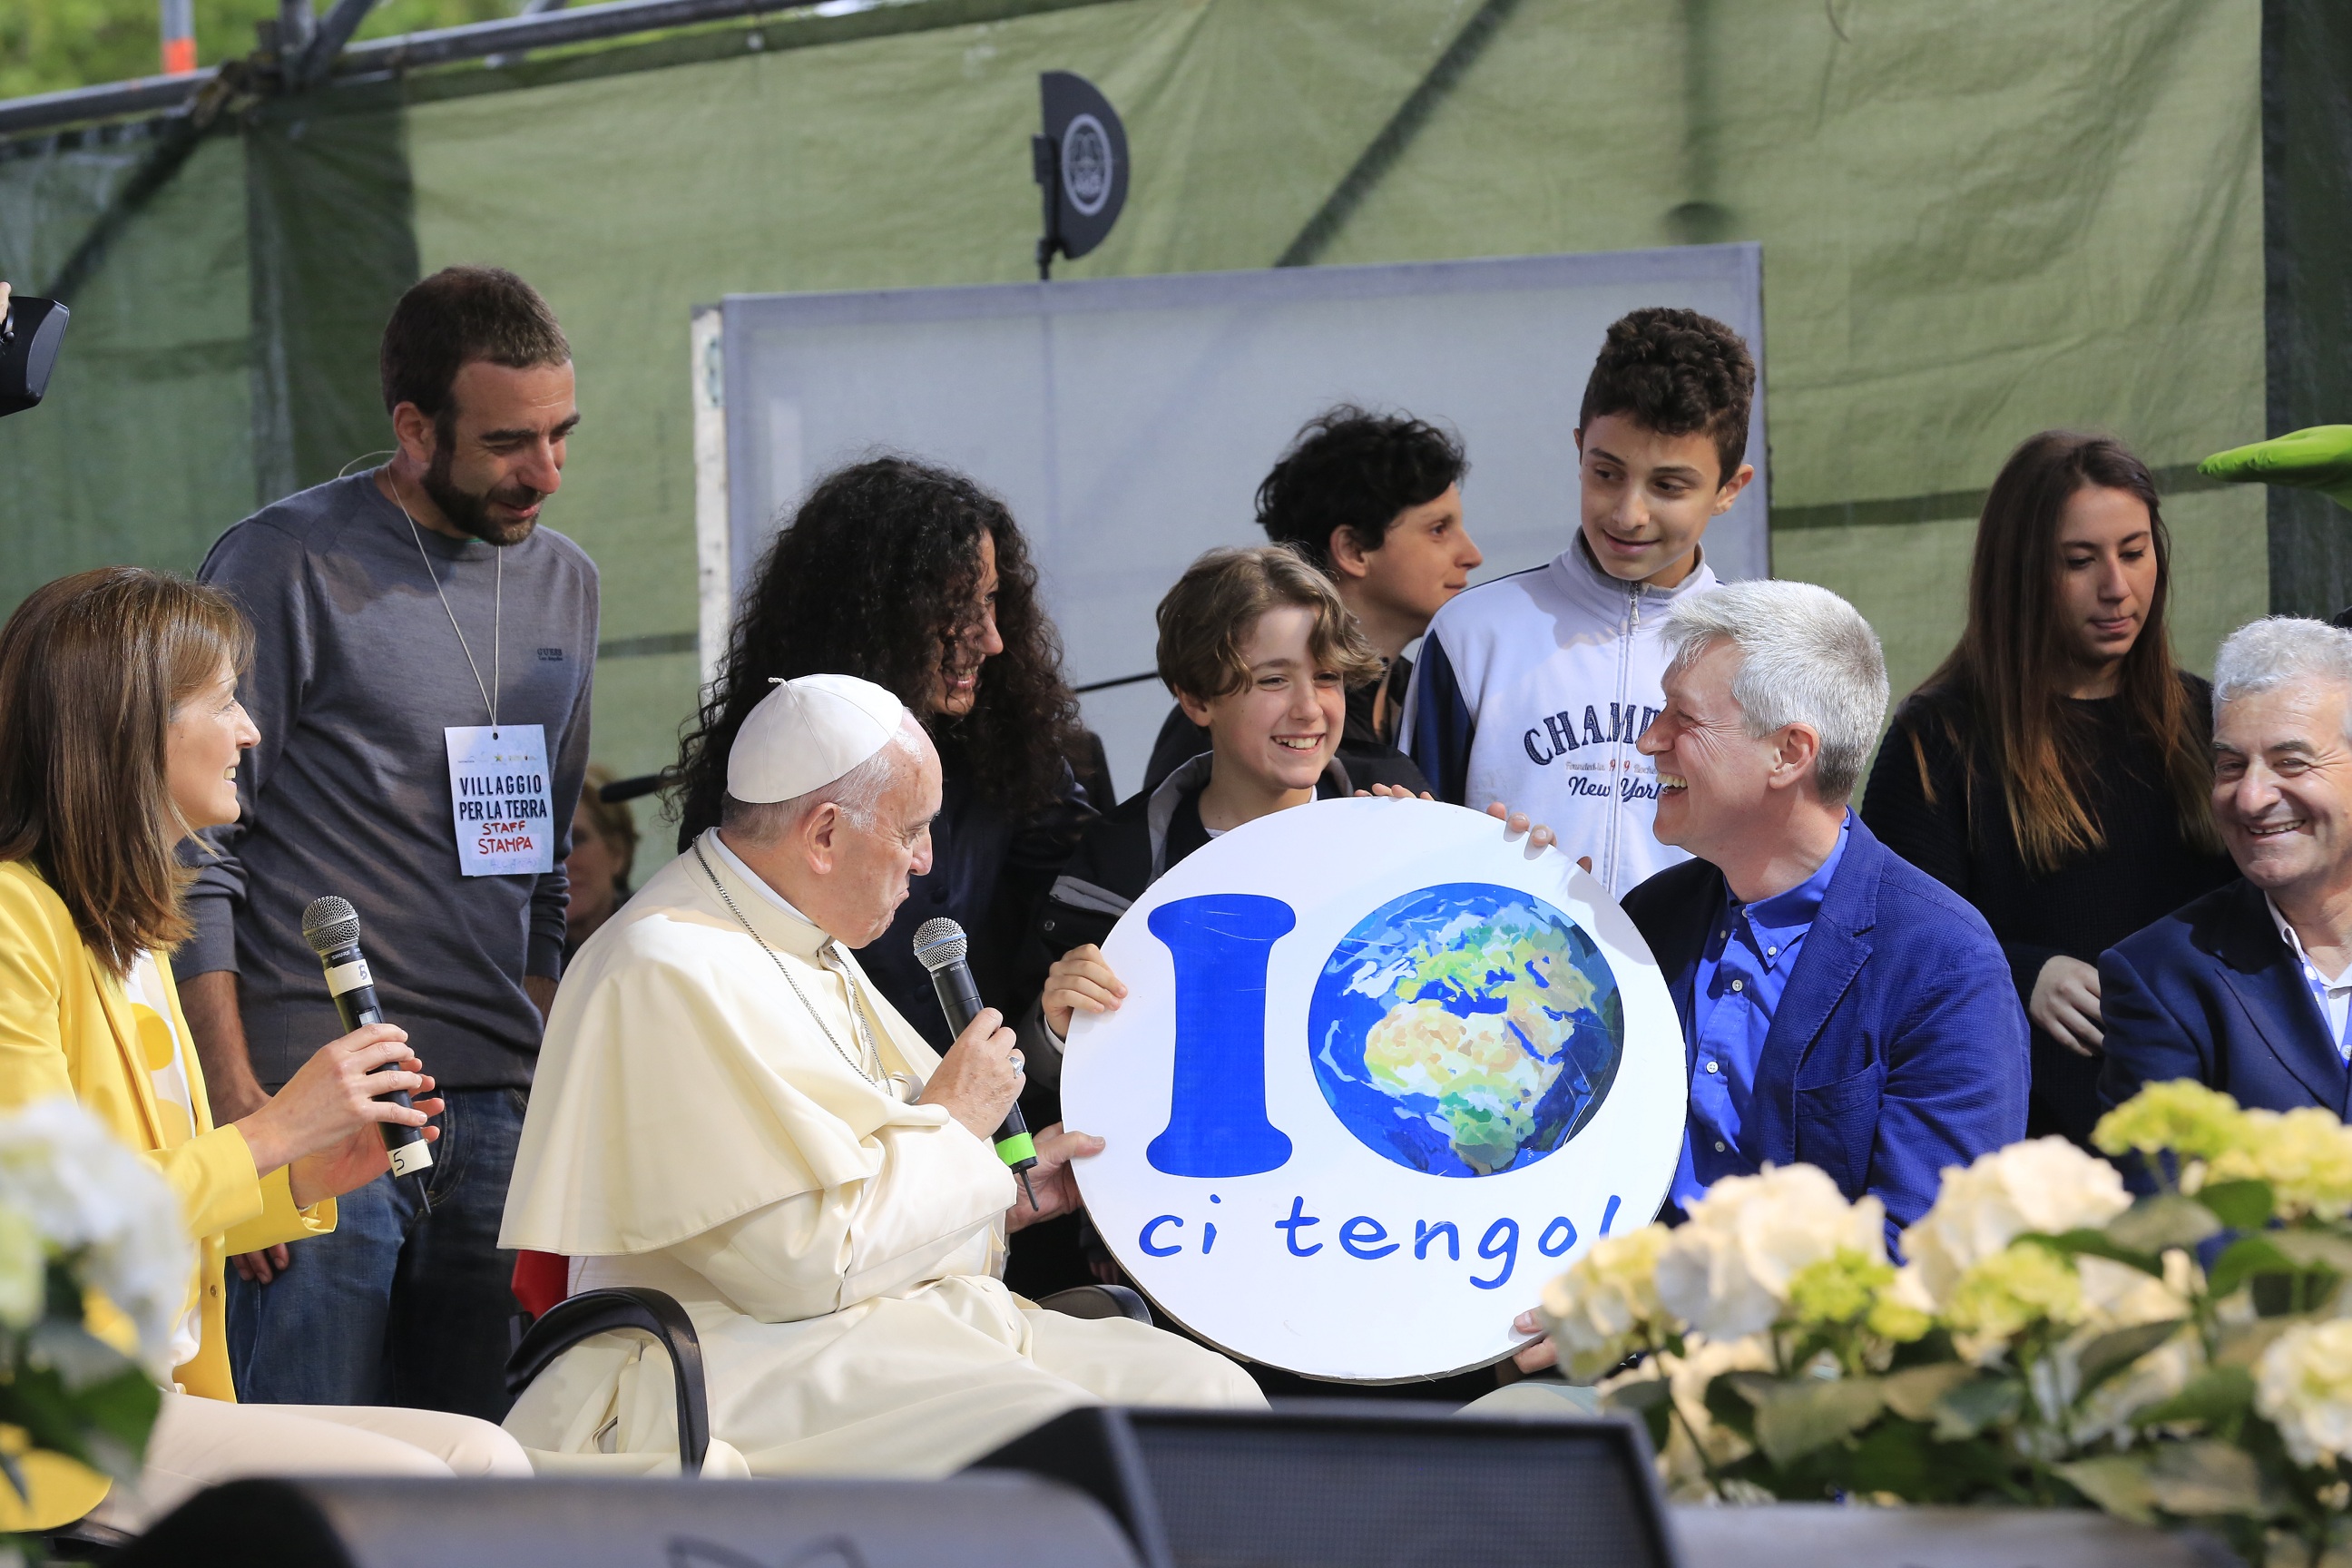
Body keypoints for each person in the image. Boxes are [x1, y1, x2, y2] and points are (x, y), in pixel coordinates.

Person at [499, 674, 1263, 1475]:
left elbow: (869, 1198)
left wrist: (1003, 1193)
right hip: (738, 1350)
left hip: (894, 1324)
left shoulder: (806, 937)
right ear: (825, 834)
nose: (926, 860)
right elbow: (798, 1266)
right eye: (912, 830)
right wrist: (958, 1125)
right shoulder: (665, 966)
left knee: (1212, 1400)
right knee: (1066, 1443)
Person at [0, 568, 530, 1534]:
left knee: (486, 1454)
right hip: (52, 1421)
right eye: (225, 701)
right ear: (133, 726)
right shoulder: (12, 922)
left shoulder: (128, 929)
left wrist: (304, 1171)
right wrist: (273, 1129)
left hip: (151, 1396)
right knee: (425, 1492)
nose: (250, 731)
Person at [183, 266, 598, 1421]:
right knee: (312, 1465)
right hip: (317, 1099)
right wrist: (239, 1103)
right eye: (510, 442)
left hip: (495, 1107)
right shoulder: (285, 560)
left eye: (563, 434)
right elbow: (194, 847)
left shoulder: (568, 582)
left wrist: (525, 1021)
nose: (546, 472)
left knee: (476, 1463)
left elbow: (551, 855)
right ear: (413, 428)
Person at [1861, 433, 2232, 1147]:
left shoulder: (2207, 717)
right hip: (2029, 1145)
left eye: (2134, 551)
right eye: (2079, 561)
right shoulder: (1939, 740)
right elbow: (1892, 942)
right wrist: (2019, 970)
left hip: (2202, 1131)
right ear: (2021, 571)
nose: (2117, 587)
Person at [1626, 581, 2025, 1231]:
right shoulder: (1649, 918)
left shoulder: (1943, 962)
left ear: (1789, 753)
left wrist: (1658, 1316)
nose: (1650, 740)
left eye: (1684, 718)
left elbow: (1924, 1248)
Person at [671, 457, 1091, 1051]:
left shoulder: (1007, 750)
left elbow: (1087, 890)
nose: (990, 638)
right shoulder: (759, 782)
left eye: (992, 599)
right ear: (873, 617)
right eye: (954, 609)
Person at [1403, 307, 1756, 897]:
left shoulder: (1758, 654)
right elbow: (1412, 852)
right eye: (1607, 473)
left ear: (1728, 489)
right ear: (1579, 450)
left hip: (1687, 990)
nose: (1628, 513)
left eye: (1669, 486)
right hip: (1500, 981)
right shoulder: (1473, 635)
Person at [1140, 406, 1475, 793]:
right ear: (1352, 549)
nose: (1471, 554)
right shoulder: (1226, 723)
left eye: (1327, 678)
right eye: (1438, 529)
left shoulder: (1428, 691)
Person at [2101, 618, 2352, 1119]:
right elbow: (2162, 1190)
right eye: (2231, 766)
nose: (2252, 798)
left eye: (2291, 762)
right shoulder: (2162, 975)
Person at [564, 766, 639, 958]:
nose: (560, 863)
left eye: (575, 840)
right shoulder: (513, 957)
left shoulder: (660, 935)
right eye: (543, 849)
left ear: (617, 852)